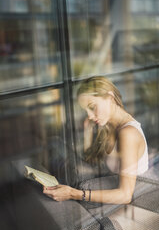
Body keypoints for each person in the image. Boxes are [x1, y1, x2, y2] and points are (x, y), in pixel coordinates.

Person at [43, 76, 148, 205]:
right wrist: (88, 133)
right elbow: (92, 161)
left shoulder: (128, 134)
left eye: (92, 107)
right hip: (111, 192)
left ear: (110, 98)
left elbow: (125, 195)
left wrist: (73, 194)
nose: (90, 116)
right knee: (55, 145)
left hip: (134, 204)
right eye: (85, 110)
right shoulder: (109, 126)